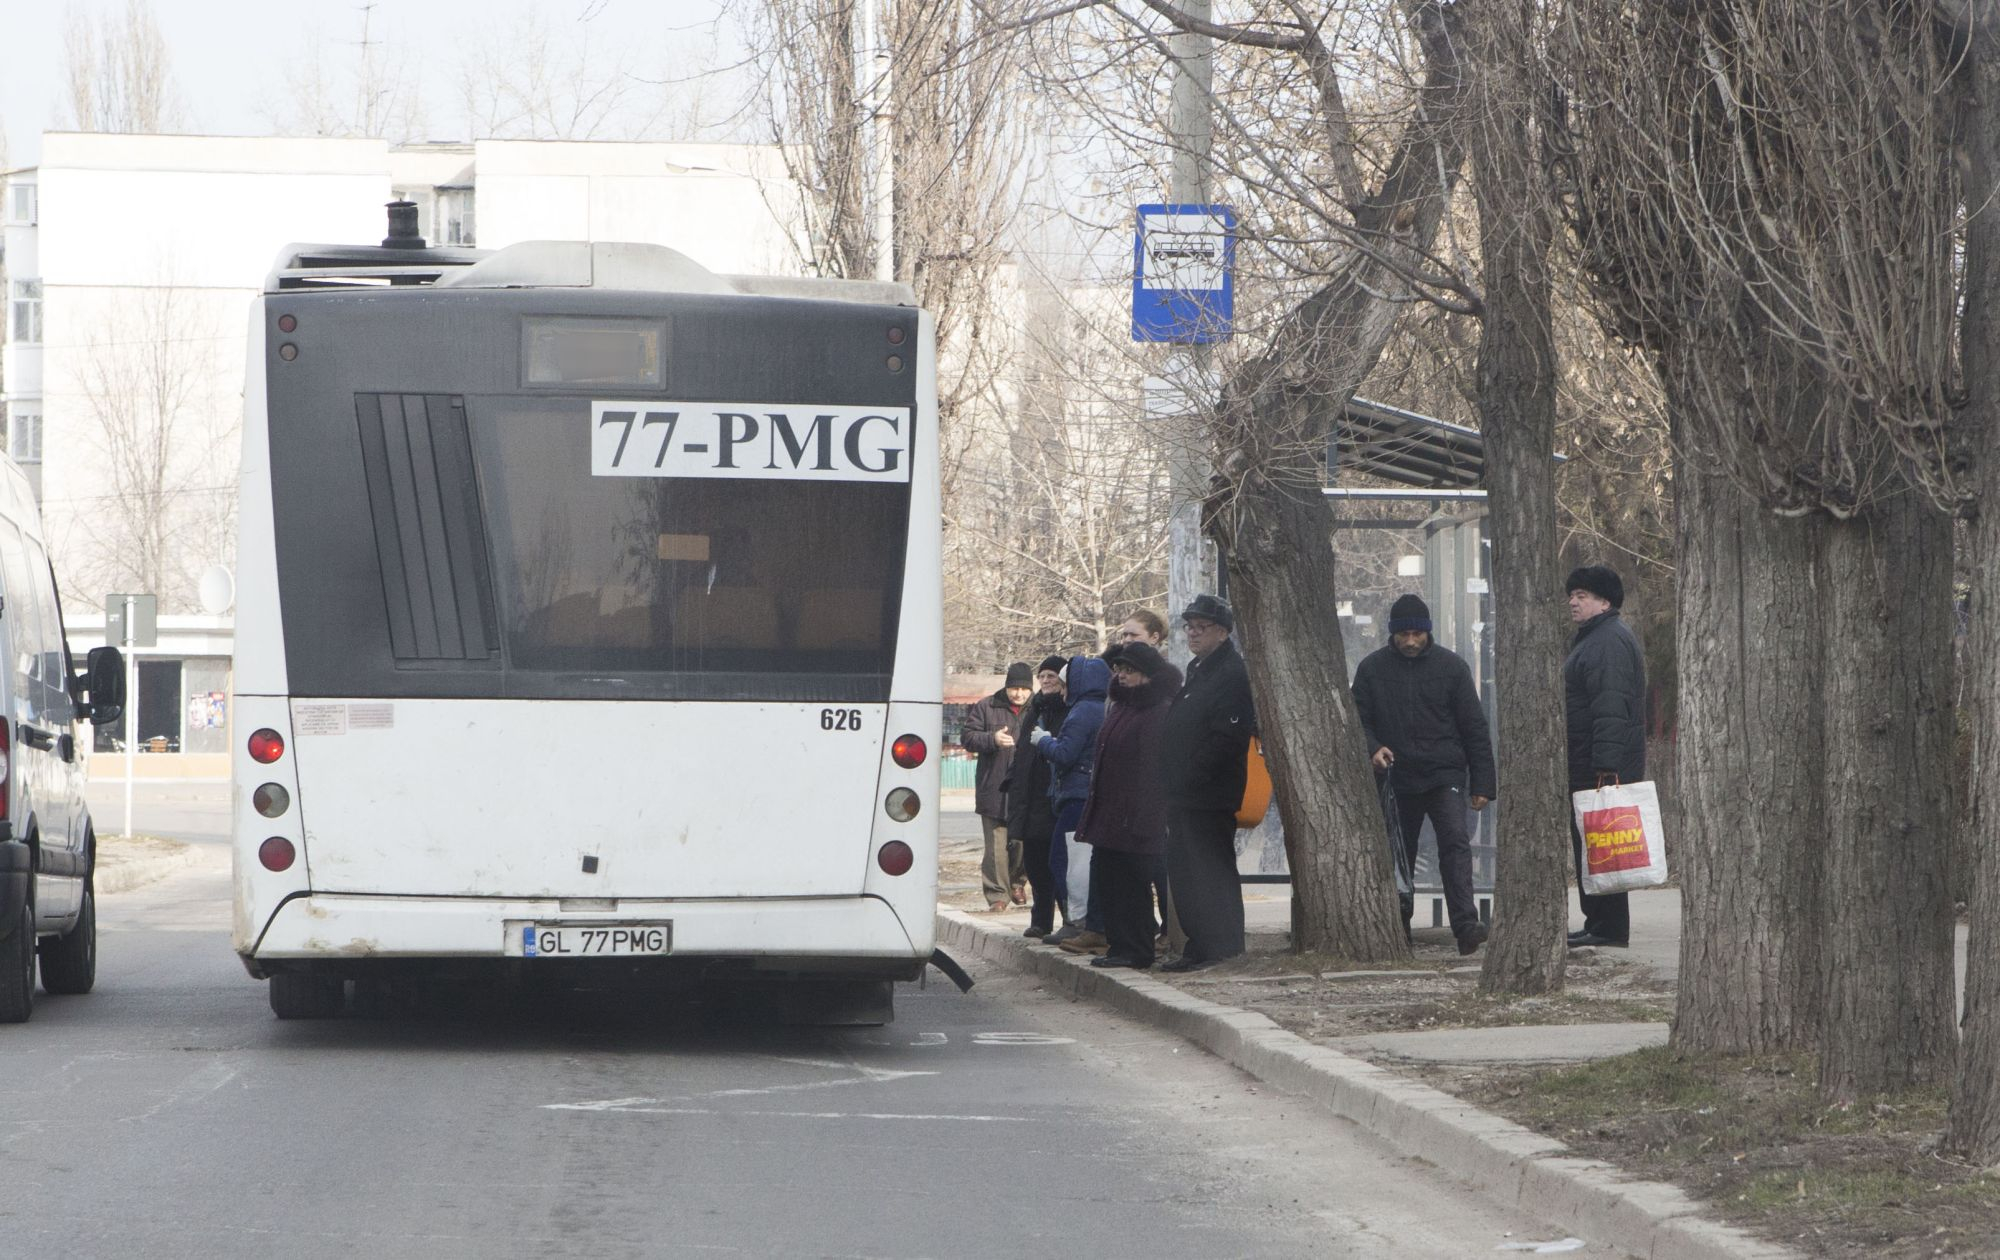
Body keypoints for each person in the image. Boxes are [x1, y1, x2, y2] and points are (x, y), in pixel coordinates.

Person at [1351, 594, 1496, 955]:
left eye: (1417, 634)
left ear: (1428, 632)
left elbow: (1474, 728)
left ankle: (1465, 925)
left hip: (1443, 773)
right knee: (1399, 855)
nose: (1411, 641)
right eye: (1404, 635)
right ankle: (1399, 929)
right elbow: (1358, 718)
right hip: (1397, 777)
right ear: (1393, 634)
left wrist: (1482, 784)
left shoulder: (1452, 668)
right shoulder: (1372, 669)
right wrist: (1373, 747)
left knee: (1455, 845)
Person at [1158, 594, 1256, 972]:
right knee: (1186, 872)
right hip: (1185, 794)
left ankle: (1221, 946)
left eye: (1201, 628)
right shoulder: (1201, 668)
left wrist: (1188, 776)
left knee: (1210, 871)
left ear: (1222, 632)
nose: (1192, 634)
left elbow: (1225, 738)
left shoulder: (1230, 672)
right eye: (1190, 627)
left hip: (1207, 794)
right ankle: (1200, 944)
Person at [1075, 641, 1183, 969]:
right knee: (1110, 883)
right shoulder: (1121, 706)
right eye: (1119, 670)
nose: (1122, 676)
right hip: (1109, 813)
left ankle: (1137, 950)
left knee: (1133, 887)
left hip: (1136, 818)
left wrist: (1146, 819)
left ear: (1149, 675)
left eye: (1130, 671)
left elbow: (1155, 772)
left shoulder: (1158, 710)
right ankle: (1119, 945)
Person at [1563, 565, 1647, 949]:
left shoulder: (1607, 642)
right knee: (1595, 846)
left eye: (1582, 596)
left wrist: (1606, 769)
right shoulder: (1595, 638)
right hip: (1594, 762)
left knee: (1604, 846)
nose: (1573, 602)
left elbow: (1611, 707)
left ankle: (1608, 927)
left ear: (1605, 601)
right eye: (1572, 595)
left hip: (1599, 767)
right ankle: (1598, 921)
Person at [1032, 656, 1110, 950]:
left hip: (1077, 795)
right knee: (1077, 861)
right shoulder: (1099, 708)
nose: (1061, 692)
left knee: (1065, 861)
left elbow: (1066, 753)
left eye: (1064, 685)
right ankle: (1085, 922)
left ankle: (1080, 922)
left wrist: (1042, 741)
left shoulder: (1082, 712)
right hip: (1084, 792)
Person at [1006, 656, 1069, 937]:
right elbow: (1023, 753)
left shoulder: (1069, 710)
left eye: (1052, 676)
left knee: (1061, 867)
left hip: (1054, 800)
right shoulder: (1034, 710)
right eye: (1042, 676)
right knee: (1035, 867)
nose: (1045, 681)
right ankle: (1040, 921)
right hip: (1030, 801)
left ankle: (1071, 921)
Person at [961, 662, 1031, 912]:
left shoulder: (1036, 708)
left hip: (1026, 789)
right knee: (996, 846)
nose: (1019, 694)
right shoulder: (986, 706)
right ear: (1006, 686)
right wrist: (992, 739)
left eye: (1024, 689)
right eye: (1014, 688)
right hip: (994, 787)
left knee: (1022, 844)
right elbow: (967, 737)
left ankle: (1017, 882)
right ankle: (997, 895)